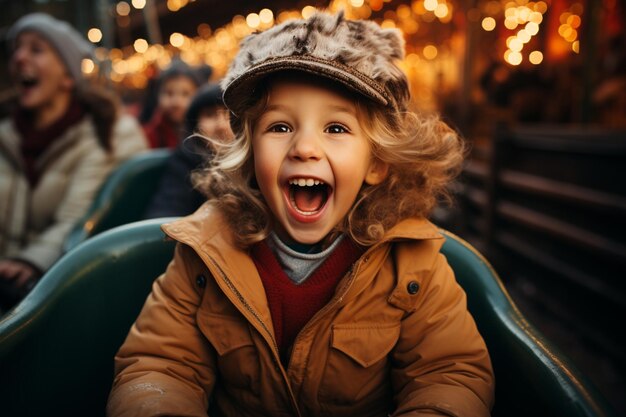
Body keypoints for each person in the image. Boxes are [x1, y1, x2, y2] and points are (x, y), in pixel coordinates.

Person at [108, 11, 494, 417]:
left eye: (336, 129)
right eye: (279, 127)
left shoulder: (413, 264)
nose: (304, 148)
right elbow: (160, 365)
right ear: (251, 154)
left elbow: (448, 375)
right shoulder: (206, 249)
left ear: (376, 161)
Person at [0, 13, 147, 311]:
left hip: (54, 294)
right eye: (17, 48)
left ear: (68, 76)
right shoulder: (6, 137)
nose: (19, 57)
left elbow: (79, 220)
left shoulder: (108, 135)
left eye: (36, 49)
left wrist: (27, 261)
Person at [144, 83, 234, 218]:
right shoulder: (185, 161)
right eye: (210, 115)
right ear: (195, 124)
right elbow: (166, 211)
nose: (221, 125)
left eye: (231, 115)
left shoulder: (260, 162)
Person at [142, 59, 201, 149]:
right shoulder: (148, 135)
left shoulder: (205, 131)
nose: (176, 102)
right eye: (169, 93)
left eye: (185, 94)